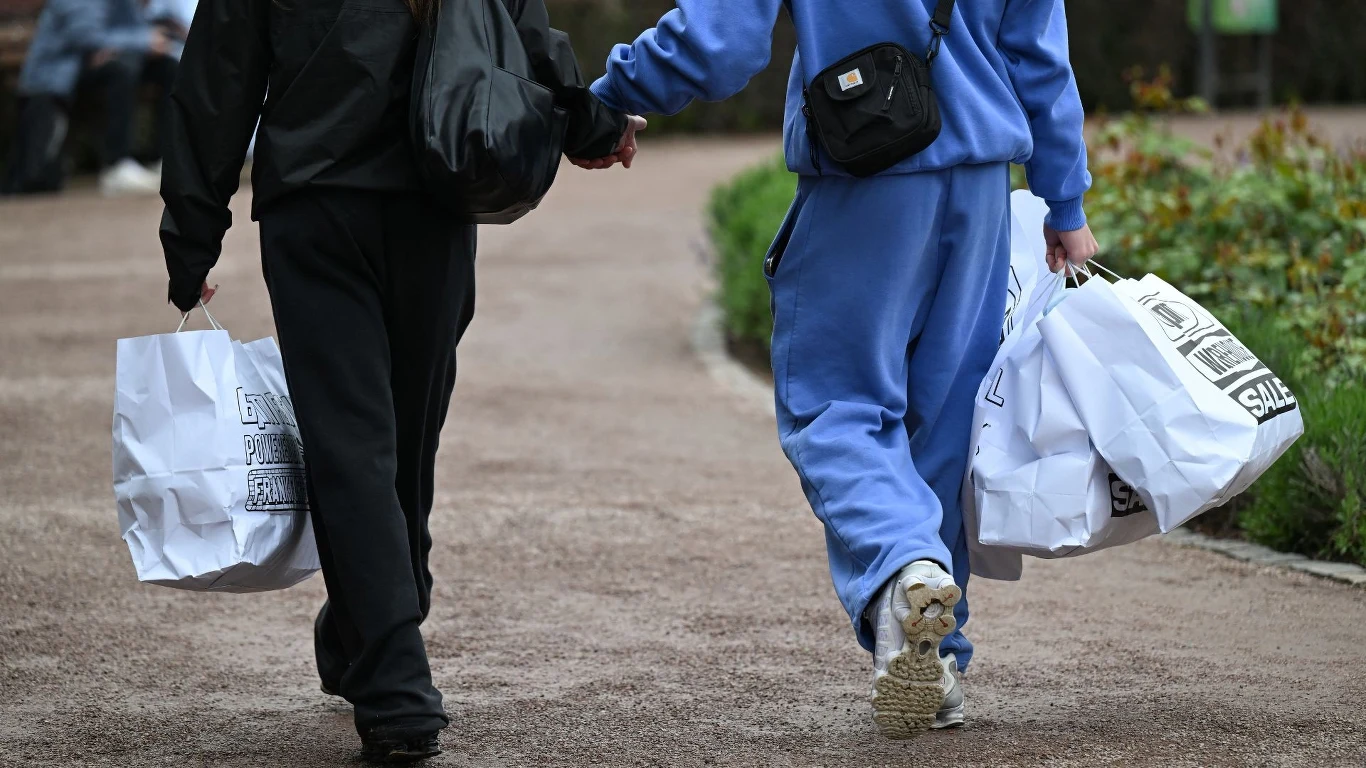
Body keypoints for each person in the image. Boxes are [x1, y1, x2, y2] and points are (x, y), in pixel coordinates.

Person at [589, 0, 1098, 738]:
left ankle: (904, 566)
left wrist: (609, 97)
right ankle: (933, 655)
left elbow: (720, 40)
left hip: (865, 172)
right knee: (942, 429)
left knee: (835, 409)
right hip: (982, 189)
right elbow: (1038, 55)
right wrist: (1065, 197)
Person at [157, 0, 643, 762]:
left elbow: (218, 80)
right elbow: (523, 35)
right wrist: (594, 123)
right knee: (388, 448)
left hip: (320, 199)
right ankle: (395, 690)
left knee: (365, 450)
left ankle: (366, 635)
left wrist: (191, 237)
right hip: (432, 192)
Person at [2, 0, 175, 196]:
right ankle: (117, 166)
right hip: (57, 77)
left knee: (168, 68)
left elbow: (134, 27)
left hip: (93, 66)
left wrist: (134, 42)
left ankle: (162, 160)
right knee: (120, 72)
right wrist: (141, 41)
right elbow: (84, 36)